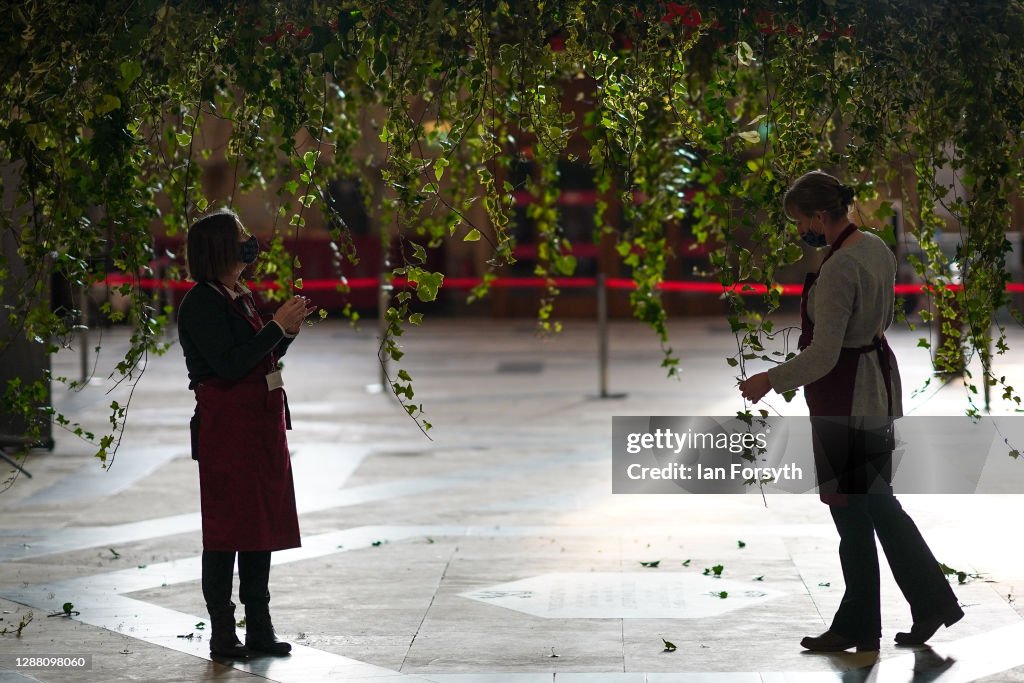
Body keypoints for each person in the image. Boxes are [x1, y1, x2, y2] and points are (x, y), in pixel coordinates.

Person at [738, 171, 962, 652]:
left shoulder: (839, 267)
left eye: (800, 220)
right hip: (875, 385)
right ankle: (927, 604)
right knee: (873, 504)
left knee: (854, 514)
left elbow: (824, 353)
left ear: (820, 216)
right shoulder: (876, 248)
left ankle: (866, 622)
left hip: (847, 395)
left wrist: (768, 380)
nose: (801, 231)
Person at [178, 209, 316, 659]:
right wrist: (275, 325)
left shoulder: (239, 295)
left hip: (261, 424)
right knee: (226, 531)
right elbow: (230, 364)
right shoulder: (201, 302)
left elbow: (261, 359)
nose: (248, 241)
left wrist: (286, 332)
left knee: (261, 528)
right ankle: (223, 632)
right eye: (240, 236)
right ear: (220, 246)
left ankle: (259, 627)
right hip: (228, 429)